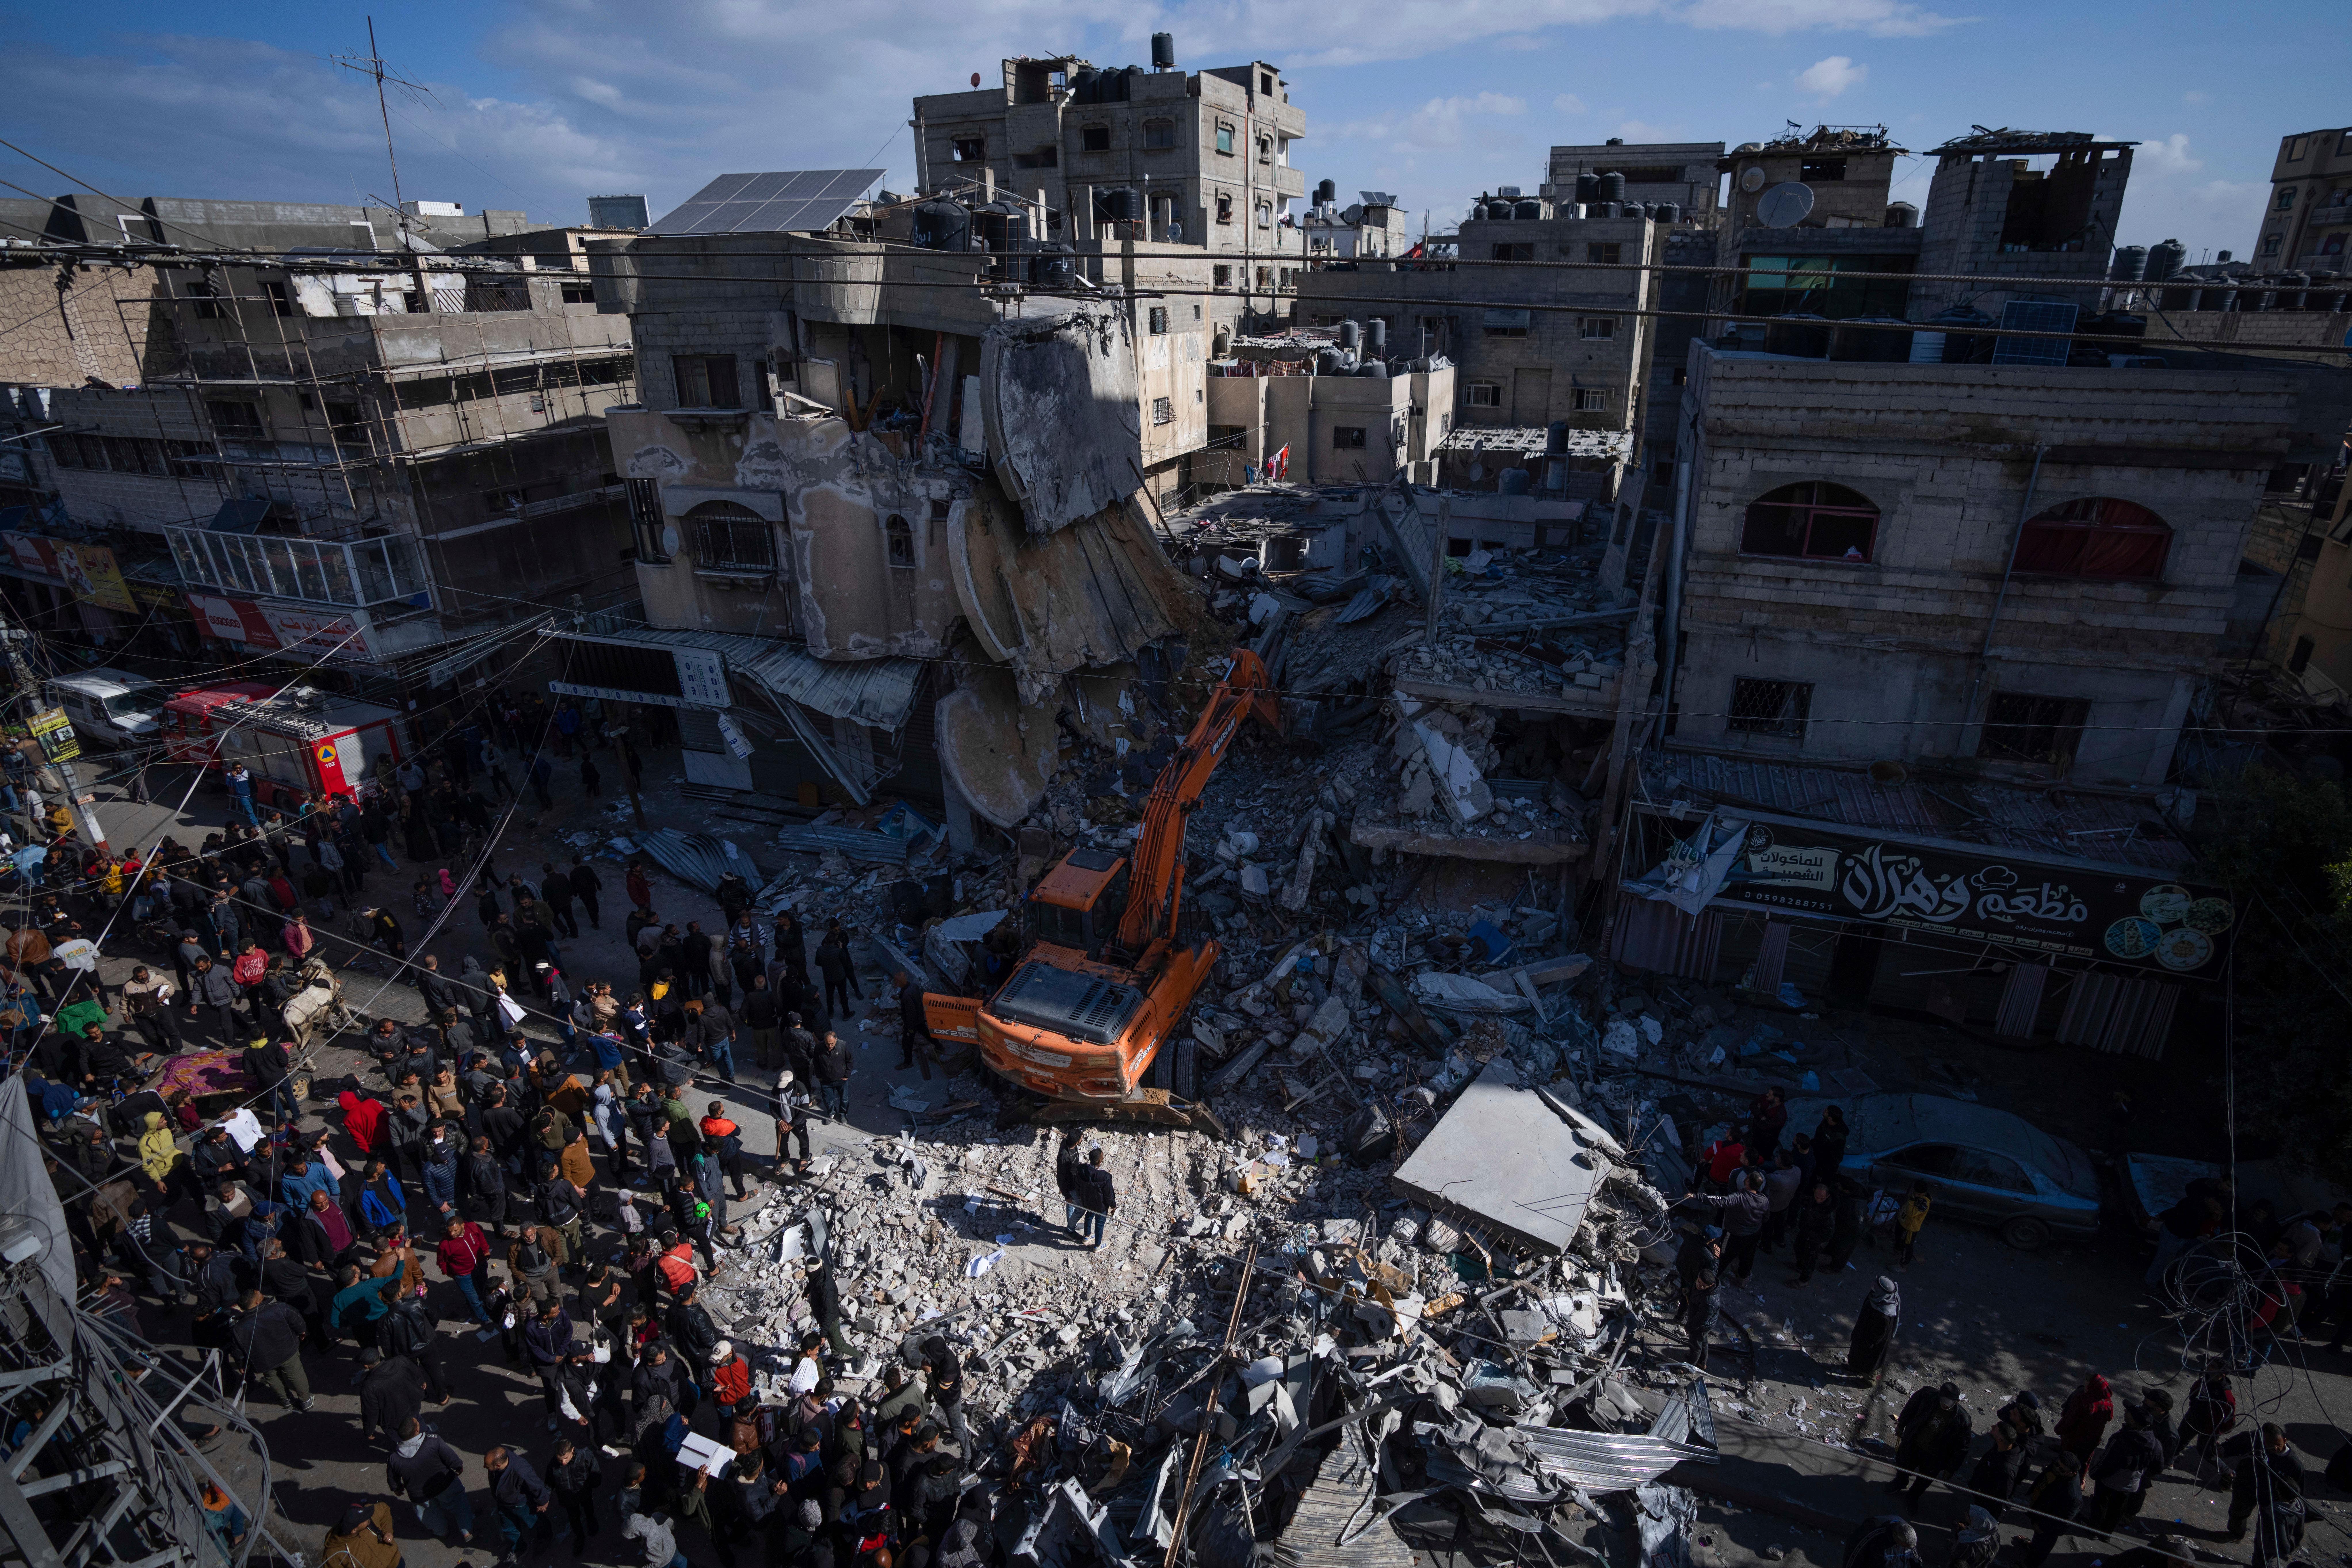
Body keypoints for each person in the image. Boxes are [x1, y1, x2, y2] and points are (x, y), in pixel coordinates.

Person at [388, 1416, 476, 1545]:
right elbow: (450, 1457)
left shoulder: (394, 1459)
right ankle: (466, 1531)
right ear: (417, 1430)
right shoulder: (433, 1441)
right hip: (445, 1485)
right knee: (459, 1503)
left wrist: (397, 1488)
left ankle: (442, 1532)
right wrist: (458, 1466)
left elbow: (393, 1479)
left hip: (419, 1495)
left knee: (429, 1515)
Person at [2087, 1403, 2166, 1533]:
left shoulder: (2121, 1440)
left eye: (2129, 1412)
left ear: (2133, 1421)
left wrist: (2094, 1474)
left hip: (2109, 1481)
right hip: (2130, 1484)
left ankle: (2093, 1530)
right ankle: (2107, 1533)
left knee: (2100, 1504)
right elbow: (2158, 1467)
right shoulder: (2155, 1444)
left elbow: (2106, 1463)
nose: (2125, 1412)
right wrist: (2141, 1473)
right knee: (2117, 1509)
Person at [231, 1288, 312, 1411]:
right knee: (296, 1374)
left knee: (273, 1379)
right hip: (287, 1351)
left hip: (264, 1360)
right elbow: (296, 1319)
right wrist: (302, 1331)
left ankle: (286, 1400)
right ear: (257, 1302)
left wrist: (242, 1364)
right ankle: (306, 1400)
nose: (260, 1292)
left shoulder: (238, 1328)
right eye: (258, 1293)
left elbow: (238, 1350)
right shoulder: (278, 1308)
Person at [1681, 1171, 1769, 1285]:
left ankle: (1710, 1281)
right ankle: (1743, 1278)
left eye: (1747, 1178)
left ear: (1748, 1182)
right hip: (1754, 1235)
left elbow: (1720, 1200)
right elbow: (1766, 1218)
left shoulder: (1740, 1198)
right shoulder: (1764, 1200)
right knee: (1748, 1256)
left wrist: (1697, 1196)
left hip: (1734, 1235)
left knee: (1723, 1257)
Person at [1889, 1382, 1971, 1504]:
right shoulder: (1927, 1396)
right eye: (1943, 1401)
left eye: (1948, 1403)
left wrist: (1951, 1468)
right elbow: (1910, 1409)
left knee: (1924, 1480)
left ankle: (1913, 1497)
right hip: (1914, 1442)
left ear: (1957, 1402)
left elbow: (1962, 1447)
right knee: (1902, 1463)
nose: (1944, 1405)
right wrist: (1901, 1425)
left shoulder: (1963, 1420)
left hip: (1935, 1456)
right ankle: (1900, 1482)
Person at [2015, 1451, 2083, 1568]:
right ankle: (2033, 1547)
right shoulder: (2059, 1471)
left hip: (2048, 1526)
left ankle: (2028, 1565)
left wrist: (2042, 1527)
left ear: (2072, 1473)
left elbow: (2062, 1523)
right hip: (2041, 1511)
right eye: (2057, 1465)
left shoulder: (2073, 1497)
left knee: (2042, 1549)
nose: (2057, 1469)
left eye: (2062, 1470)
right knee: (2038, 1541)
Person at [487, 1443, 555, 1558]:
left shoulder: (521, 1470)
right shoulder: (499, 1463)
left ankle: (546, 1537)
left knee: (535, 1522)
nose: (485, 1467)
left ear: (498, 1466)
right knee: (508, 1527)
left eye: (487, 1466)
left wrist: (544, 1502)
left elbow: (537, 1485)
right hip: (504, 1503)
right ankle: (519, 1548)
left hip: (520, 1504)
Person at [546, 1436, 602, 1551]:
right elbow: (549, 1483)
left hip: (584, 1493)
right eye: (560, 1459)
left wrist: (592, 1484)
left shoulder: (586, 1456)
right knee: (574, 1519)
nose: (563, 1462)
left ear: (573, 1451)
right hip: (568, 1498)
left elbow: (596, 1473)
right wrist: (544, 1499)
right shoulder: (553, 1465)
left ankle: (591, 1521)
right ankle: (580, 1537)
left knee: (589, 1509)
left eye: (565, 1458)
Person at [1967, 1420, 2027, 1521]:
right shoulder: (2001, 1448)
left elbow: (2003, 1498)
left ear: (2000, 1439)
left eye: (1996, 1429)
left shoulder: (2007, 1469)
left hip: (1987, 1501)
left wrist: (1996, 1519)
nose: (1992, 1427)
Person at [320, 1502, 403, 1568]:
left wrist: (388, 1531)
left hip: (397, 1563)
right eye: (363, 1519)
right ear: (354, 1530)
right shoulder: (333, 1554)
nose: (368, 1516)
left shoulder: (370, 1516)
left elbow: (385, 1509)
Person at [1849, 1275, 1899, 1382]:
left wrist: (1865, 1344)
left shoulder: (1884, 1315)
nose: (1873, 1287)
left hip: (1871, 1344)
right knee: (1857, 1356)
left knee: (1869, 1363)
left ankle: (1869, 1381)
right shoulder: (1878, 1297)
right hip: (1863, 1332)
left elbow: (1877, 1336)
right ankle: (1855, 1368)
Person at [2055, 1373, 2115, 1462]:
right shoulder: (2108, 1403)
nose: (2086, 1386)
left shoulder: (2084, 1401)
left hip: (2075, 1438)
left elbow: (2071, 1419)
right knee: (2085, 1461)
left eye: (2088, 1383)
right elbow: (2109, 1418)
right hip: (2093, 1439)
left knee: (2067, 1458)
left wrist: (2059, 1429)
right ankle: (2081, 1475)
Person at [1841, 1515, 1920, 1568]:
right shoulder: (1872, 1535)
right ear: (1895, 1536)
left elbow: (1916, 1559)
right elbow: (1853, 1555)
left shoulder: (1908, 1540)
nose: (1907, 1548)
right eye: (1904, 1545)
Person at [1076, 1145, 1115, 1249]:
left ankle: (1087, 1237)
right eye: (1102, 1157)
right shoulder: (1105, 1177)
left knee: (1089, 1216)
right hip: (1100, 1205)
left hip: (1087, 1201)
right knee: (1100, 1223)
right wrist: (1114, 1206)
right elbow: (1109, 1194)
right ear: (1099, 1162)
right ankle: (1098, 1246)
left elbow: (1078, 1184)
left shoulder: (1082, 1170)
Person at [1682, 1269, 1717, 1370]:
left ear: (1711, 1286)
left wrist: (1689, 1327)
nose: (1699, 1286)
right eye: (1698, 1282)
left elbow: (1700, 1320)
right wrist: (1689, 1290)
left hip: (1701, 1326)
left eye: (1703, 1286)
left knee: (1695, 1346)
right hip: (1703, 1324)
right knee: (1703, 1341)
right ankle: (1702, 1363)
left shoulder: (1709, 1302)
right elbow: (1696, 1289)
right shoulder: (1702, 1287)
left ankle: (1689, 1368)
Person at [1894, 1181, 1931, 1267]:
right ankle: (1897, 1252)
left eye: (1917, 1193)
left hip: (1910, 1228)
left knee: (1907, 1246)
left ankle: (1903, 1265)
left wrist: (1912, 1200)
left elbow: (1911, 1214)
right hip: (1903, 1222)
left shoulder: (1924, 1203)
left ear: (1922, 1194)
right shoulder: (1915, 1196)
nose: (1914, 1194)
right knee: (1898, 1237)